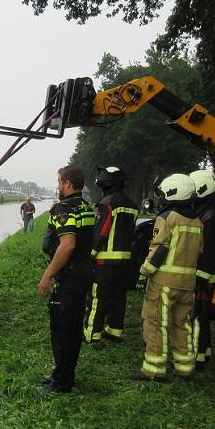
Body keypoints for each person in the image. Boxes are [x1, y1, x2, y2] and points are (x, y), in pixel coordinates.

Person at [132, 174, 203, 381]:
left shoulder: (167, 218)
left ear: (173, 193)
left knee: (156, 323)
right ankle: (185, 367)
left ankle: (154, 369)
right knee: (182, 324)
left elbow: (159, 248)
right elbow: (199, 251)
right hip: (188, 285)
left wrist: (143, 272)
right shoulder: (197, 222)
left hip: (164, 283)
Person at [38, 166, 95, 393]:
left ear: (69, 183)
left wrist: (47, 275)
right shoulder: (85, 207)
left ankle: (62, 382)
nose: (58, 186)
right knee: (71, 327)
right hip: (81, 272)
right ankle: (62, 373)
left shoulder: (65, 209)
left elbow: (67, 245)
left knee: (62, 328)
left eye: (60, 181)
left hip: (69, 275)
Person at [83, 167, 138, 344]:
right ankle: (114, 332)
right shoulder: (132, 204)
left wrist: (89, 254)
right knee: (118, 297)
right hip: (124, 261)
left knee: (98, 297)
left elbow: (102, 232)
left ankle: (92, 333)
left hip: (105, 261)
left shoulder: (107, 202)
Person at [189, 169, 215, 369]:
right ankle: (204, 351)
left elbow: (208, 251)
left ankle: (196, 356)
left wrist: (200, 277)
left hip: (206, 274)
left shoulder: (209, 216)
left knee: (198, 315)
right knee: (202, 315)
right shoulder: (209, 211)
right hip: (206, 272)